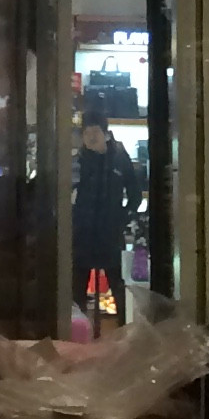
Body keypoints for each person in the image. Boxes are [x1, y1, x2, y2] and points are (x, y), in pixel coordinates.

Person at [70, 114, 140, 324]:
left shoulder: (119, 158)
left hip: (109, 235)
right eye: (87, 133)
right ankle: (77, 333)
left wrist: (122, 217)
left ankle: (124, 330)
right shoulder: (76, 160)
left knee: (117, 287)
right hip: (82, 234)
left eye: (95, 132)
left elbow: (135, 193)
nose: (91, 137)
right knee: (76, 290)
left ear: (106, 134)